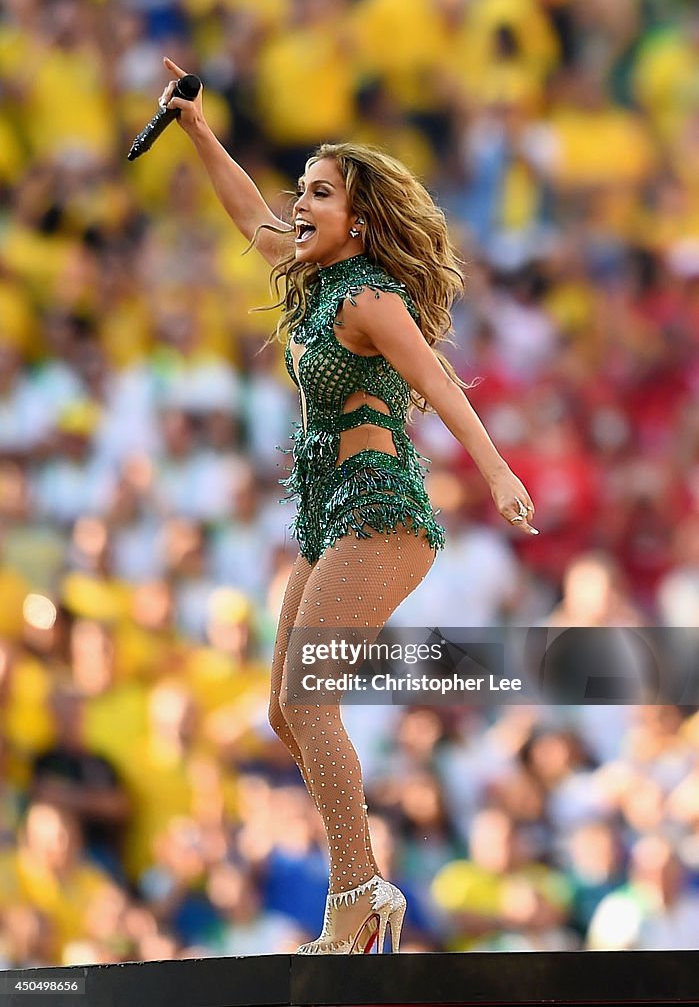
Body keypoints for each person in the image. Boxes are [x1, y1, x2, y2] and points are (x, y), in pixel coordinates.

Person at [157, 55, 538, 955]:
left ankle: (359, 896)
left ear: (358, 224)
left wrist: (496, 472)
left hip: (382, 509)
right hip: (329, 513)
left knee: (310, 696)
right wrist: (199, 130)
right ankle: (362, 883)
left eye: (319, 193)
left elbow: (439, 386)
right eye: (303, 188)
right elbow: (243, 209)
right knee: (286, 712)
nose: (297, 204)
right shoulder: (308, 275)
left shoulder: (368, 296)